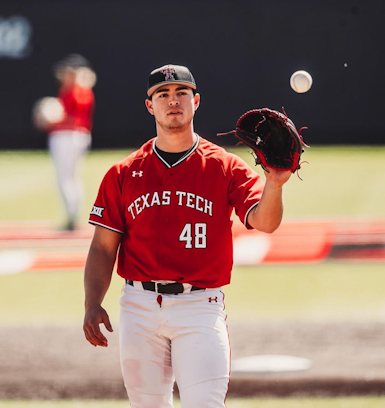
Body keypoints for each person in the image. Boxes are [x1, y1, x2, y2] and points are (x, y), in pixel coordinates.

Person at [82, 64, 293, 408]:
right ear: (150, 106)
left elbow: (265, 223)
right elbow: (104, 248)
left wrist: (275, 184)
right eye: (162, 95)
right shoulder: (122, 173)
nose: (172, 101)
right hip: (138, 307)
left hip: (200, 307)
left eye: (181, 93)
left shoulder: (224, 166)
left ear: (196, 101)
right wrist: (92, 303)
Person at [47, 54, 96, 231]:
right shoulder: (71, 89)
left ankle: (72, 216)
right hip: (71, 136)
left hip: (69, 137)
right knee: (70, 178)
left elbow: (75, 120)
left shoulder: (79, 90)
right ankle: (72, 215)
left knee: (66, 178)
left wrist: (51, 119)